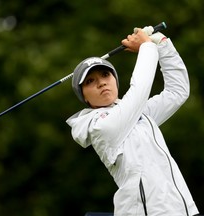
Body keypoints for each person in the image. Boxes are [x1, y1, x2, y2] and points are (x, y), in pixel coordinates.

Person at [66, 27, 199, 215]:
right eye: (90, 81)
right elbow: (139, 90)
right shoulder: (99, 127)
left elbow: (177, 91)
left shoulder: (139, 115)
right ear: (84, 97)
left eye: (105, 75)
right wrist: (146, 47)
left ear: (114, 80)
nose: (101, 82)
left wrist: (161, 44)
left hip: (182, 210)